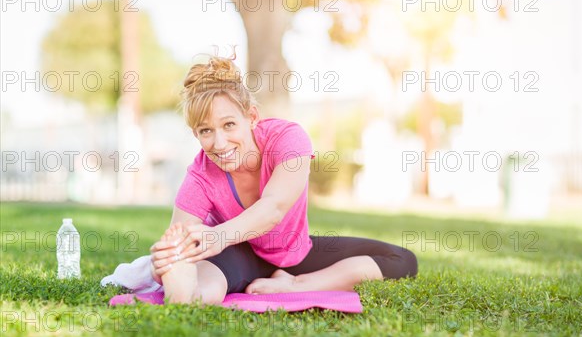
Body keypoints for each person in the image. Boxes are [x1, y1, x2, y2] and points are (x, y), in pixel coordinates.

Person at [150, 55, 417, 304]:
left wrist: (218, 236)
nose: (219, 143)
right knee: (197, 283)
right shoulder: (200, 176)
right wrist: (163, 263)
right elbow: (180, 242)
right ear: (195, 134)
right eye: (206, 131)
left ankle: (296, 285)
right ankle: (186, 294)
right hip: (236, 254)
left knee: (401, 260)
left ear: (251, 117)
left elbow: (274, 208)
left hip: (294, 251)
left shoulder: (287, 139)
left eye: (229, 124)